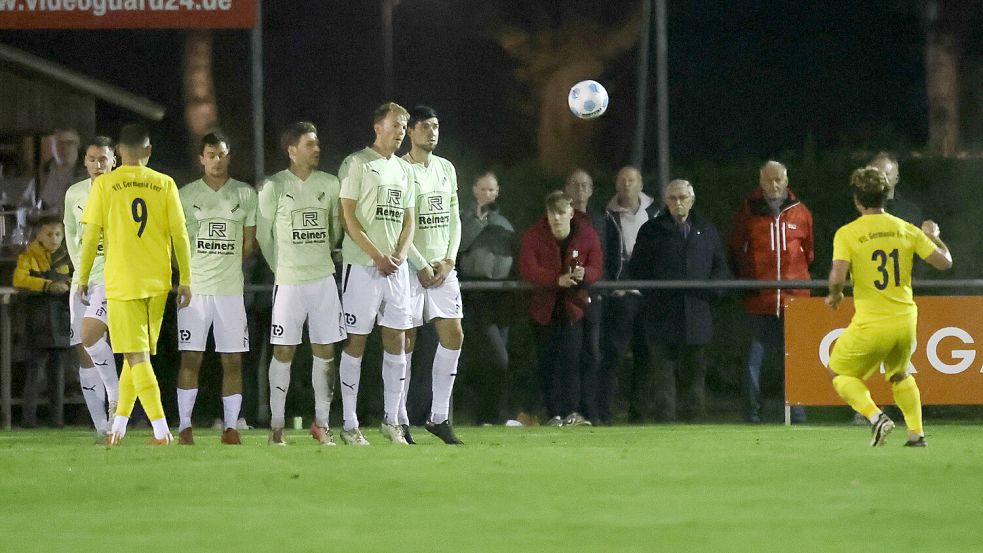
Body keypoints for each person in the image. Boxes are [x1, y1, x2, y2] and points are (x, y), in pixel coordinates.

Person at [77, 123, 192, 446]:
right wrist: (185, 278)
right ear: (148, 151)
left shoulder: (104, 185)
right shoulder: (165, 183)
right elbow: (180, 235)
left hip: (122, 281)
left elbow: (90, 238)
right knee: (136, 357)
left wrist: (82, 276)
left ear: (118, 152)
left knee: (136, 358)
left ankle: (161, 431)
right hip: (157, 282)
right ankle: (119, 428)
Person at [825, 167, 951, 447]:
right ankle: (916, 435)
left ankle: (876, 417)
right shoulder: (905, 228)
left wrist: (835, 295)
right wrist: (933, 235)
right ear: (886, 196)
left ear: (857, 199)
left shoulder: (848, 233)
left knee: (839, 372)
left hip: (873, 322)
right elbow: (945, 262)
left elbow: (837, 277)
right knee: (899, 373)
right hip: (905, 320)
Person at [256, 122, 345, 446]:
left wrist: (322, 256)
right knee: (283, 350)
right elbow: (264, 236)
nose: (317, 148)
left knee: (325, 352)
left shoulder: (330, 183)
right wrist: (280, 268)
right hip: (290, 283)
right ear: (292, 150)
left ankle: (321, 423)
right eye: (310, 144)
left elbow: (335, 228)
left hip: (322, 280)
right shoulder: (274, 186)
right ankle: (277, 425)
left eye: (317, 143)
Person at [337, 102, 416, 446]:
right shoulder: (357, 163)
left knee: (397, 341)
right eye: (396, 125)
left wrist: (397, 255)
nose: (401, 131)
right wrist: (377, 255)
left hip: (395, 270)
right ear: (377, 126)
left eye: (404, 126)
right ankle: (350, 423)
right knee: (356, 341)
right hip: (362, 266)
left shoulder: (404, 169)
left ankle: (391, 420)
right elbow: (348, 217)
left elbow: (409, 219)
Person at [176, 132, 258, 446]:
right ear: (201, 158)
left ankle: (231, 426)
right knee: (190, 359)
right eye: (211, 154)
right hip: (194, 292)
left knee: (233, 360)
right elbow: (176, 242)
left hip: (229, 291)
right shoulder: (185, 195)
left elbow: (248, 244)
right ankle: (184, 426)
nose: (216, 160)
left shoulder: (245, 193)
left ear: (228, 156)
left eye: (221, 154)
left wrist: (222, 263)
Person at [629, 180, 730, 422]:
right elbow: (638, 270)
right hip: (660, 315)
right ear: (666, 201)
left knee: (694, 376)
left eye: (683, 197)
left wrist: (710, 293)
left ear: (692, 200)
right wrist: (654, 295)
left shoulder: (706, 230)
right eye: (673, 198)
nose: (678, 202)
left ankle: (695, 422)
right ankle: (665, 424)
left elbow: (720, 268)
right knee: (663, 377)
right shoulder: (651, 230)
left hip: (696, 314)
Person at [728, 161, 813, 423]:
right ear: (760, 181)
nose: (773, 185)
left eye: (778, 180)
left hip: (795, 300)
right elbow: (734, 249)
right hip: (759, 299)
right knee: (754, 361)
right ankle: (752, 415)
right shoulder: (748, 210)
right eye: (768, 180)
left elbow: (809, 252)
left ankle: (797, 414)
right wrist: (750, 280)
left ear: (787, 181)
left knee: (796, 360)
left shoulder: (801, 212)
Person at [400, 105, 464, 444]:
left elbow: (454, 217)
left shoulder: (446, 168)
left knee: (453, 335)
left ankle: (439, 417)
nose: (431, 131)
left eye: (436, 126)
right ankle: (400, 418)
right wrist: (420, 264)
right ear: (410, 132)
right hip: (412, 271)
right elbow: (398, 225)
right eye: (424, 126)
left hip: (443, 268)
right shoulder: (400, 170)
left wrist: (449, 260)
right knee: (405, 342)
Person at [519, 191, 602, 426]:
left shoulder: (587, 235)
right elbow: (528, 269)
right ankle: (553, 413)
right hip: (544, 309)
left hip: (573, 308)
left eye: (561, 212)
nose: (556, 218)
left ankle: (572, 411)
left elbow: (596, 265)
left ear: (571, 212)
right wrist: (557, 280)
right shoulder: (534, 236)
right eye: (552, 212)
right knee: (547, 361)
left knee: (572, 360)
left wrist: (584, 274)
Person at [63, 136, 120, 438]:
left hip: (113, 278)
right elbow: (72, 236)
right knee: (83, 350)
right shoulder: (74, 194)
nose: (98, 165)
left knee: (93, 337)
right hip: (82, 280)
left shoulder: (122, 192)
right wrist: (81, 273)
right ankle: (102, 426)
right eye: (92, 159)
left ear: (114, 161)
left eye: (103, 159)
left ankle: (116, 395)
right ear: (84, 161)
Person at [601, 165, 659, 423]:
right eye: (622, 180)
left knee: (646, 354)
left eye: (632, 180)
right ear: (616, 184)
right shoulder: (606, 215)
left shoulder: (656, 212)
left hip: (648, 295)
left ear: (640, 183)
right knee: (613, 355)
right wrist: (612, 285)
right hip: (620, 295)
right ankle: (605, 412)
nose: (627, 184)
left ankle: (640, 412)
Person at [457, 171, 515, 423]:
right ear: (474, 190)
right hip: (474, 293)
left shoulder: (504, 222)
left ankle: (489, 414)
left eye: (492, 190)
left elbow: (514, 251)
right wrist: (479, 221)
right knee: (495, 358)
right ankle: (485, 413)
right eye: (484, 189)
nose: (488, 195)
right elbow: (458, 245)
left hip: (500, 295)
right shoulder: (462, 219)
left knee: (497, 360)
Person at [13, 216, 71, 428]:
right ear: (39, 235)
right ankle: (29, 420)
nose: (54, 239)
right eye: (49, 234)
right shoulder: (28, 256)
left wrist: (70, 285)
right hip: (37, 322)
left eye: (58, 234)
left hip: (60, 322)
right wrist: (47, 286)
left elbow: (78, 278)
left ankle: (57, 421)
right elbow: (19, 280)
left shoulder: (66, 257)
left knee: (58, 375)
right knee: (35, 374)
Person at [564, 168, 606, 424]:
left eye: (585, 185)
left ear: (591, 190)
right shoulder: (561, 217)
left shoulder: (600, 220)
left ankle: (591, 409)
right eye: (575, 184)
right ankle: (569, 410)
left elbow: (606, 258)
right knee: (570, 354)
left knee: (593, 354)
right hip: (567, 297)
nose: (580, 189)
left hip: (594, 295)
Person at [22, 129, 84, 216]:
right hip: (43, 228)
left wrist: (54, 213)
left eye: (70, 143)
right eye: (60, 143)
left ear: (78, 145)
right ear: (52, 146)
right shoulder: (43, 174)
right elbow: (23, 206)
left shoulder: (87, 176)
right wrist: (28, 215)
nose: (65, 148)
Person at [868, 152, 924, 226]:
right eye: (876, 173)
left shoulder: (910, 212)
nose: (880, 178)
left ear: (896, 178)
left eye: (886, 174)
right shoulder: (857, 210)